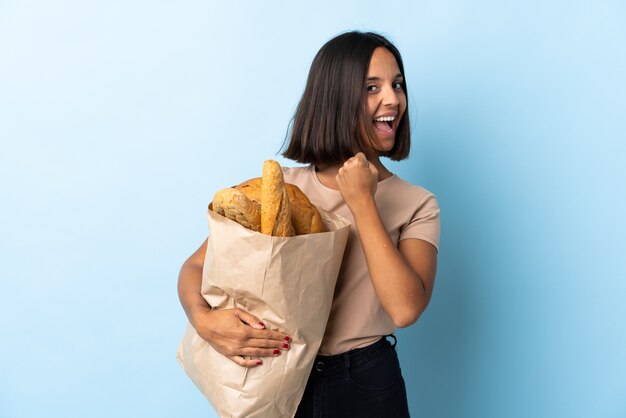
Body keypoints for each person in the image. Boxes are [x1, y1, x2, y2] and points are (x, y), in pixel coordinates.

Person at [178, 31, 440, 417]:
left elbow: (405, 310)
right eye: (372, 87)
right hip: (279, 373)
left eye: (397, 84)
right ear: (335, 98)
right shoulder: (281, 189)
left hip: (365, 382)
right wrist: (203, 320)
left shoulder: (417, 203)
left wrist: (363, 202)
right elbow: (195, 266)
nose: (394, 99)